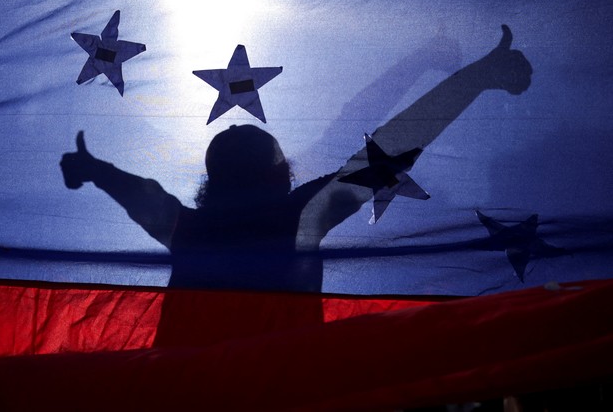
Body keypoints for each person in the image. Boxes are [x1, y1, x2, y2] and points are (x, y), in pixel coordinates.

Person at [60, 25, 532, 346]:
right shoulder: (300, 219)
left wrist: (96, 170)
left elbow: (144, 195)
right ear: (278, 175)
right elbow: (394, 145)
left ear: (214, 182)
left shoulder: (193, 234)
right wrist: (475, 79)